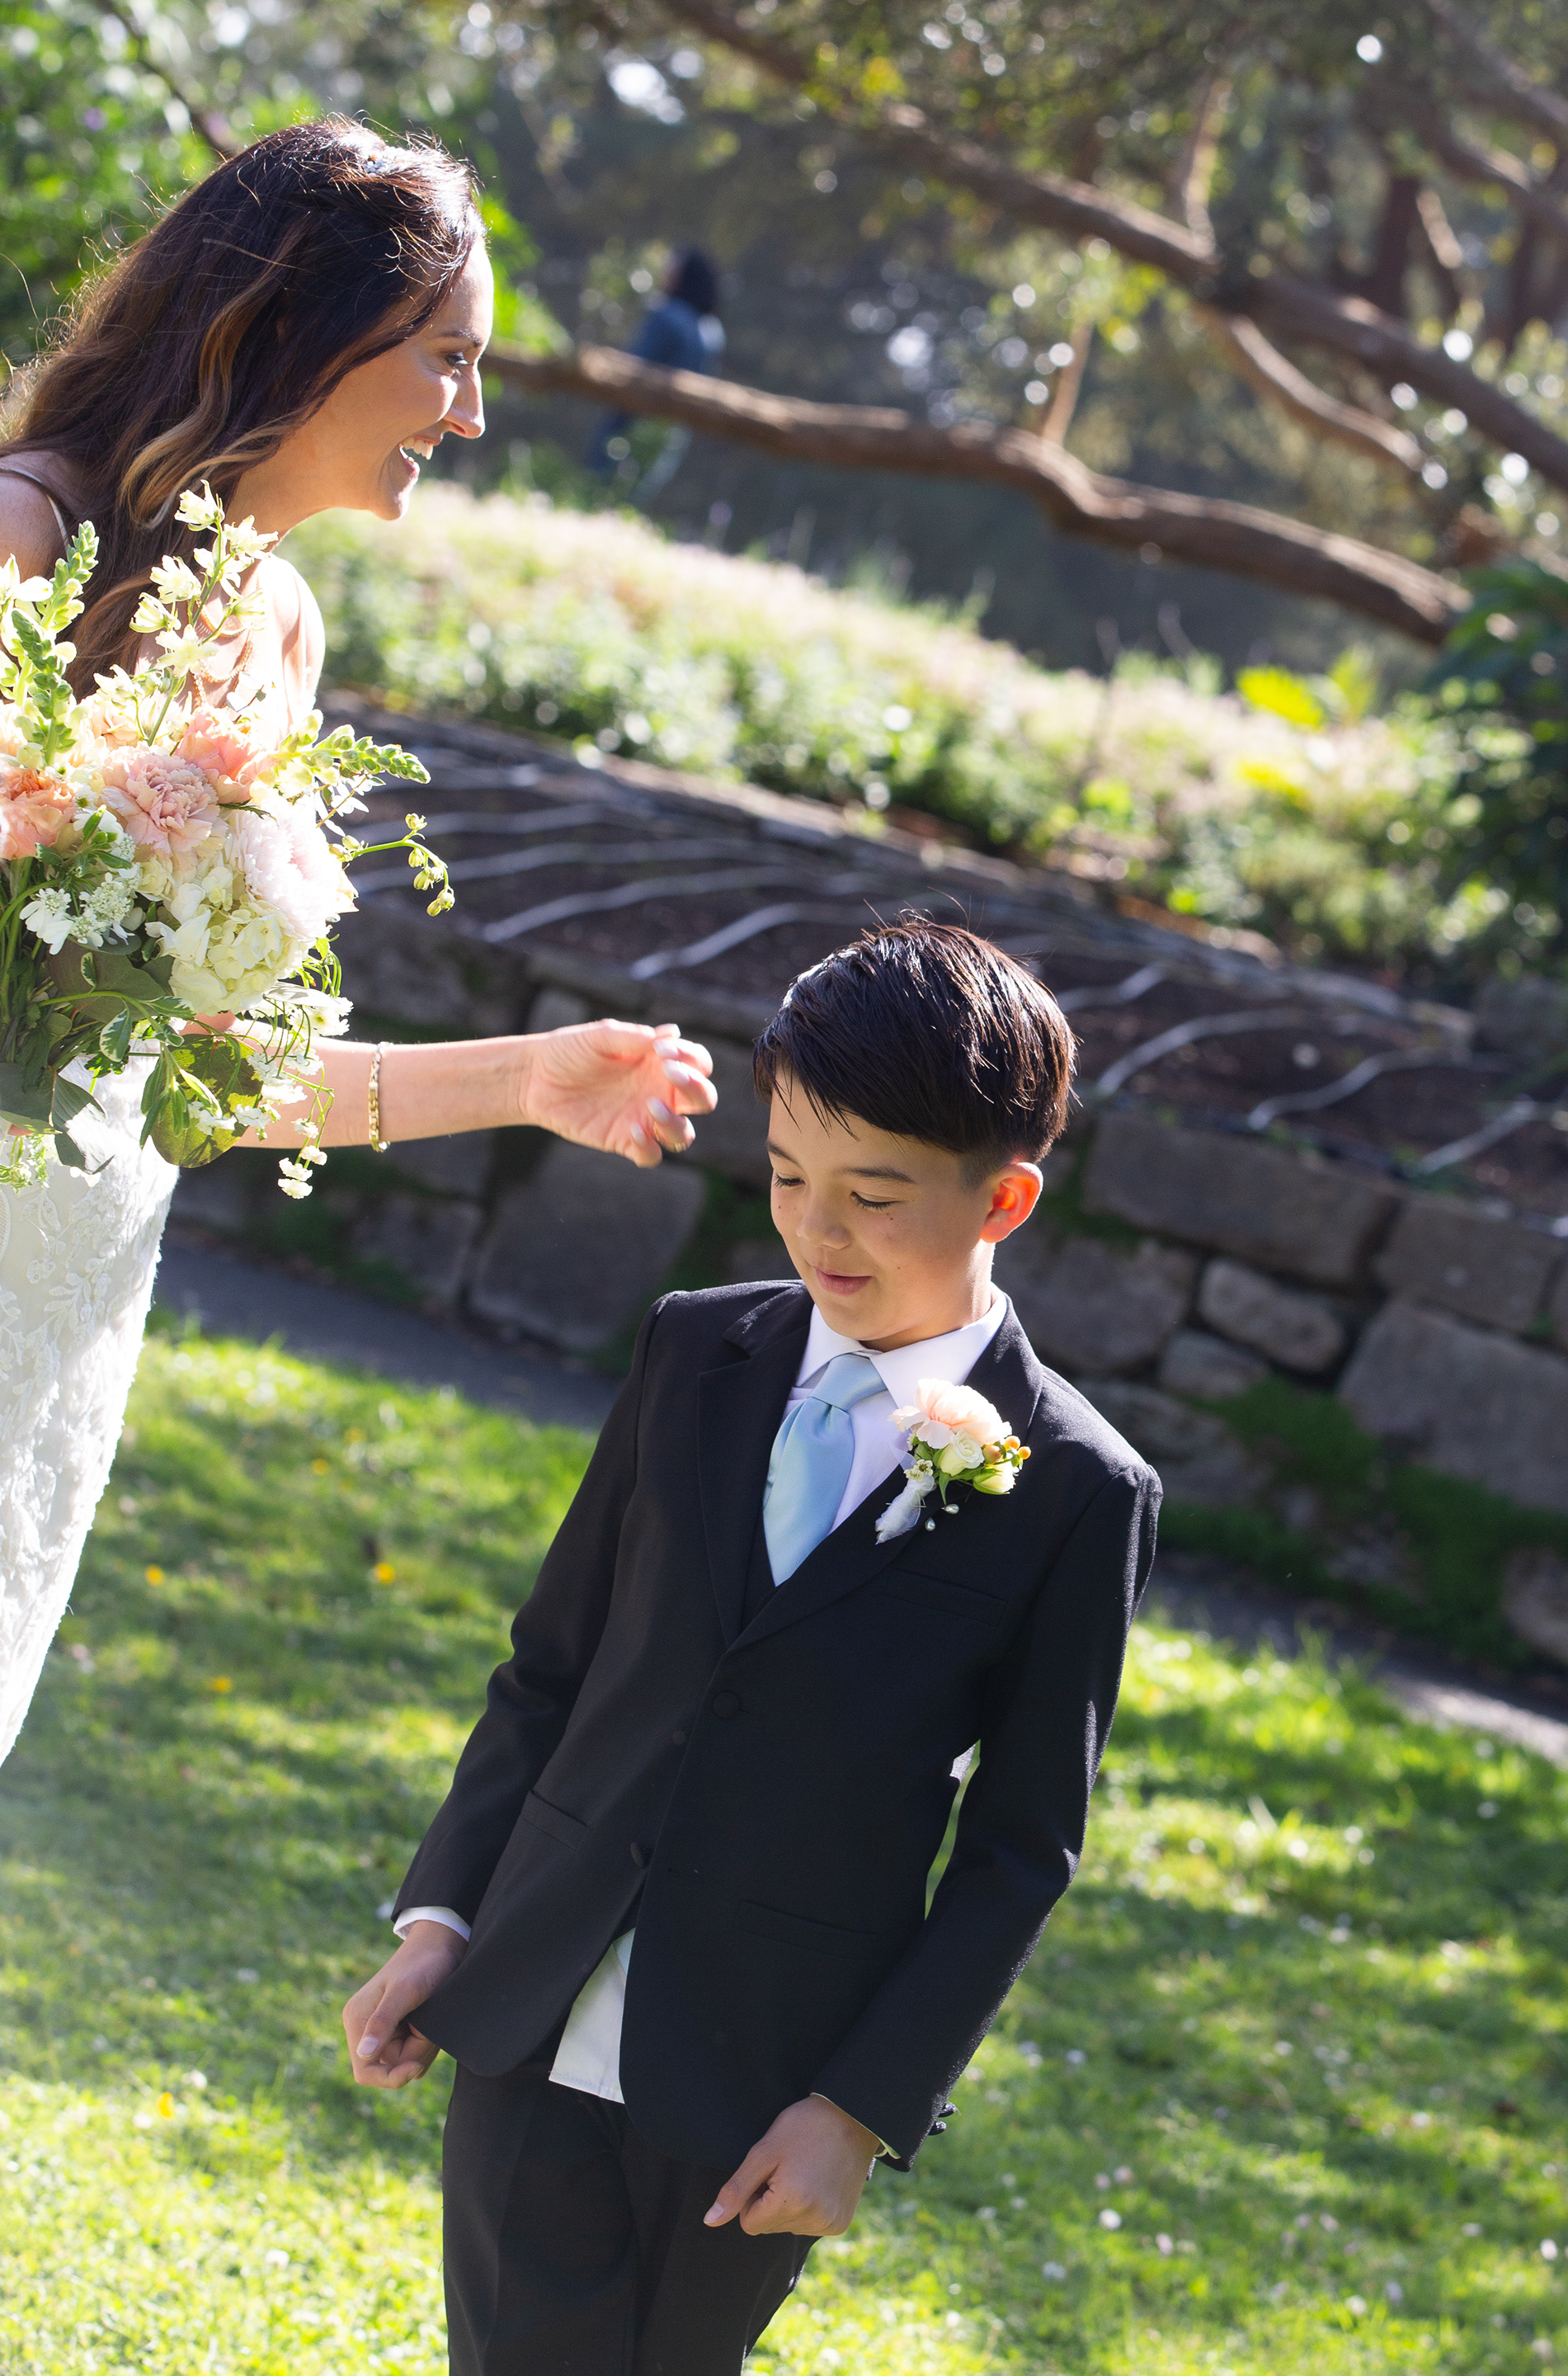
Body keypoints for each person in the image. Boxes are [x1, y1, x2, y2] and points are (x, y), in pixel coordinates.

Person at [342, 919, 1160, 2376]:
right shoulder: (690, 1352)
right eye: (788, 1178)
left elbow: (1018, 1851)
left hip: (761, 2084)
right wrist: (442, 1924)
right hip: (534, 1999)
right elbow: (550, 1672)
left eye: (873, 1197)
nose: (818, 1232)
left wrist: (858, 2109)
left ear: (1005, 1198)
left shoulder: (1080, 1491)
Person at [0, 119, 716, 1769]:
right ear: (290, 332)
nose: (472, 414)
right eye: (447, 358)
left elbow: (210, 1081)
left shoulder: (283, 629)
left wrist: (530, 1080)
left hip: (60, 1315)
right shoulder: (24, 537)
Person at [585, 246, 723, 494]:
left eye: (671, 268)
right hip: (671, 432)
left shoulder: (667, 316)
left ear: (684, 276)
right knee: (631, 496)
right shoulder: (712, 333)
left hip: (631, 418)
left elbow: (633, 367)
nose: (664, 272)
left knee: (599, 487)